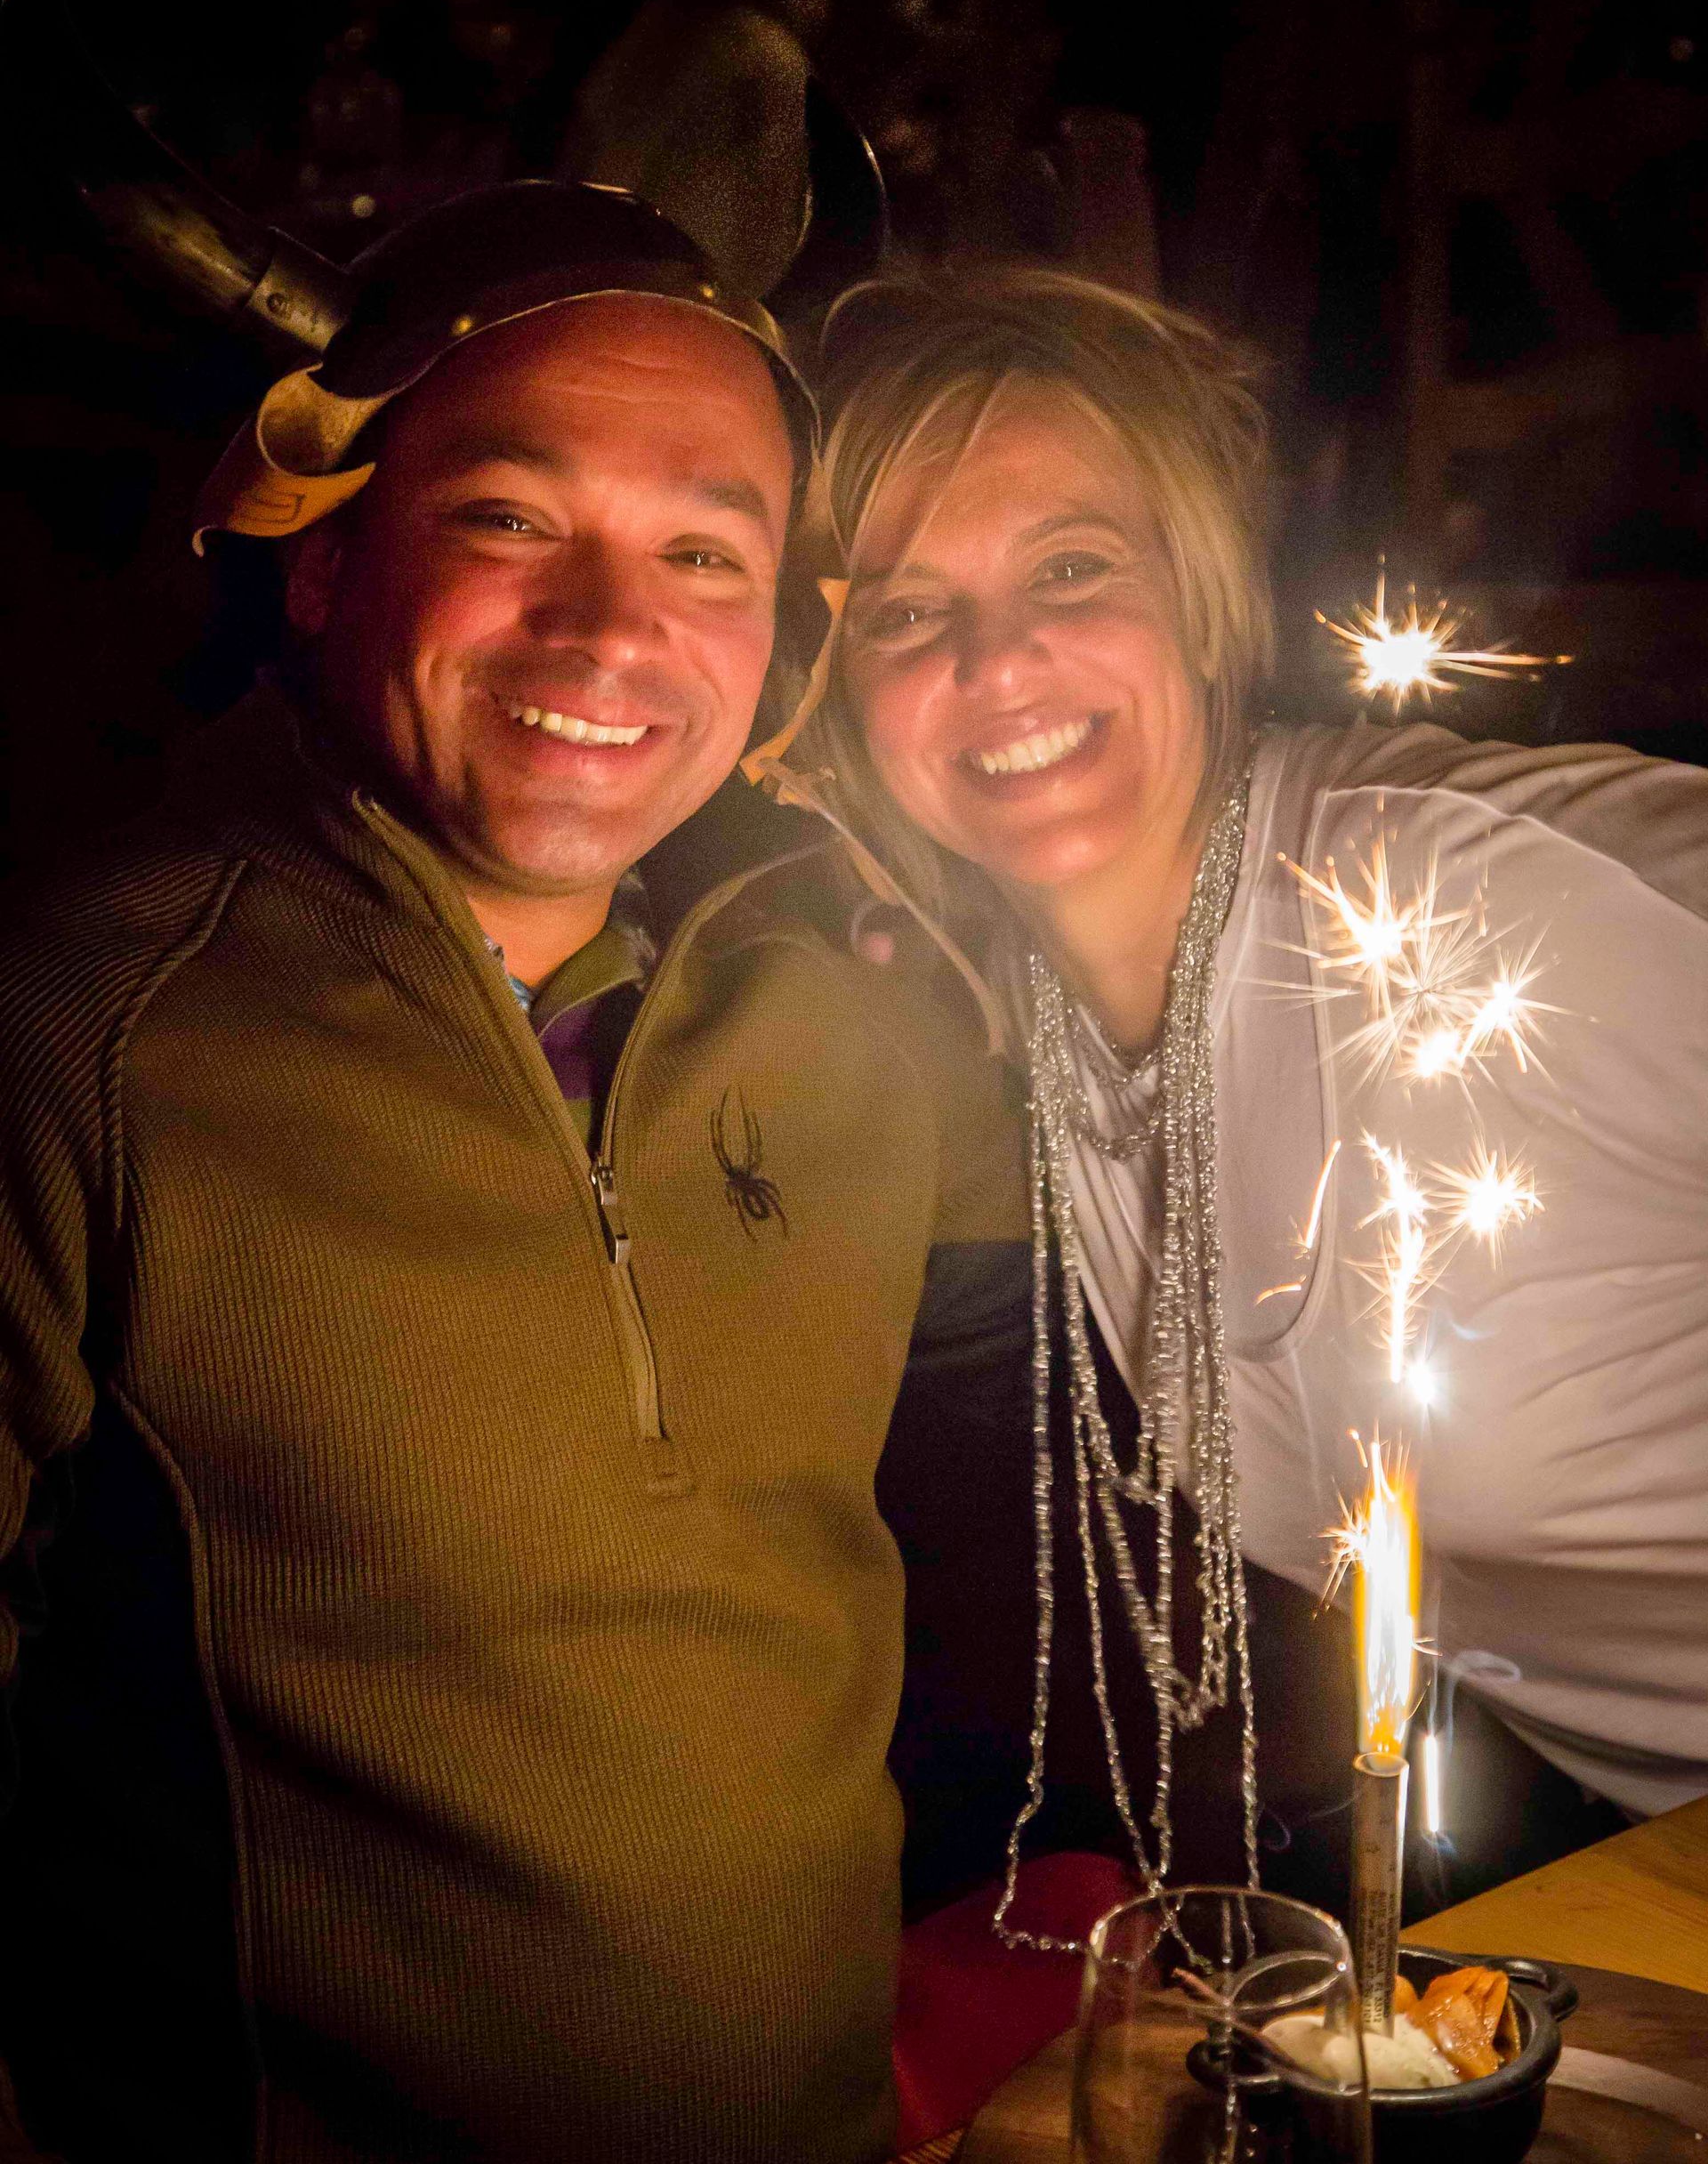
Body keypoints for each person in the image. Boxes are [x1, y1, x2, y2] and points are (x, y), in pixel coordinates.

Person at [0, 183, 1025, 2163]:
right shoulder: (88, 1025)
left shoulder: (858, 1025)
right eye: (507, 518)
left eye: (704, 552)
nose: (611, 625)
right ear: (325, 562)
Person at [782, 263, 1708, 1898]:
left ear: (1202, 594)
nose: (1001, 659)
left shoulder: (1486, 897)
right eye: (906, 614)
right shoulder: (1025, 1038)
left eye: (1071, 567)